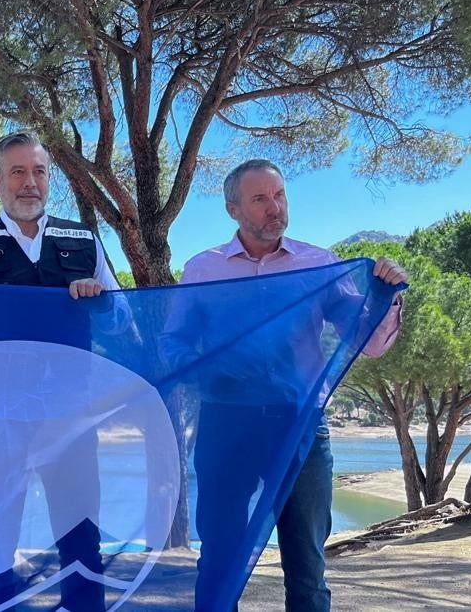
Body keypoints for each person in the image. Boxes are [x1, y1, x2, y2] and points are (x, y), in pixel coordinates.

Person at [173, 158, 406, 611]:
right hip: (226, 429)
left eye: (279, 196)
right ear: (233, 209)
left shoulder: (320, 265)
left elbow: (368, 344)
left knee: (307, 570)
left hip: (300, 429)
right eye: (259, 199)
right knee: (218, 561)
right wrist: (208, 370)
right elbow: (173, 345)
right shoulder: (203, 270)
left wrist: (385, 298)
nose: (273, 208)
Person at [0, 131, 119, 612]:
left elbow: (122, 321)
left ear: (49, 179)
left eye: (38, 172)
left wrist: (100, 300)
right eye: (17, 172)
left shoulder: (85, 241)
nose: (29, 183)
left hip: (71, 422)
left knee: (81, 542)